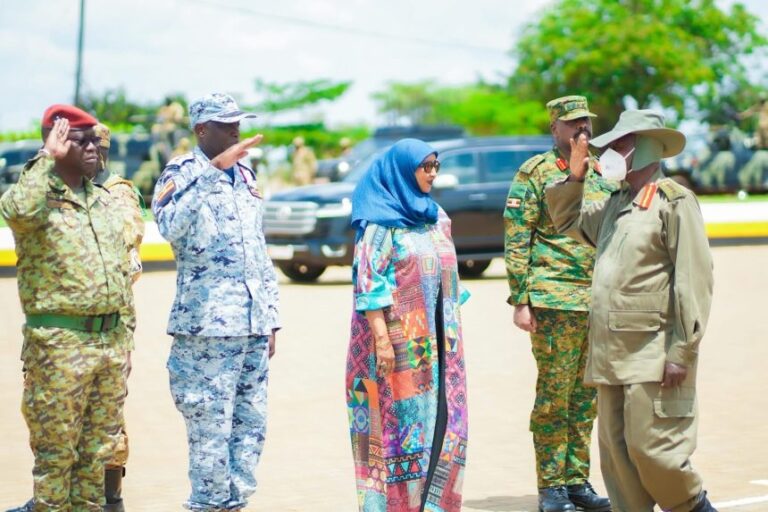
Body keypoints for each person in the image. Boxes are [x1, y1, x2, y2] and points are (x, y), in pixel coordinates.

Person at [545, 109, 717, 512]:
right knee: (619, 460)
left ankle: (695, 506)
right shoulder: (617, 203)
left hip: (654, 353)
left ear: (647, 148)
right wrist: (575, 176)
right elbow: (568, 219)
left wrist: (683, 351)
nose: (610, 152)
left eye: (621, 145)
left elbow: (694, 280)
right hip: (610, 355)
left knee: (657, 452)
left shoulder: (674, 202)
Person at [152, 92, 279, 512]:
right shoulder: (182, 171)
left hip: (251, 326)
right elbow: (170, 226)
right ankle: (207, 506)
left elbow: (256, 248)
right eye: (227, 124)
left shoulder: (246, 174)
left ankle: (236, 505)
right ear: (202, 130)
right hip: (207, 328)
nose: (236, 130)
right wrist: (211, 172)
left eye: (238, 122)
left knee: (249, 429)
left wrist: (270, 317)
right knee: (210, 431)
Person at [1, 106, 130, 511]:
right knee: (57, 460)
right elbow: (16, 211)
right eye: (82, 140)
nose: (94, 147)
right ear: (57, 143)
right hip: (60, 347)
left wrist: (121, 340)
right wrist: (45, 159)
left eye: (96, 140)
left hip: (108, 345)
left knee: (94, 460)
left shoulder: (104, 200)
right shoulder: (39, 197)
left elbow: (120, 275)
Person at [346, 139, 469, 512]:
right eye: (425, 166)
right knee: (398, 430)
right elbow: (368, 285)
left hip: (441, 348)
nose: (432, 173)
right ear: (402, 169)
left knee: (446, 422)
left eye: (436, 165)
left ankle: (434, 505)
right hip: (397, 347)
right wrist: (383, 342)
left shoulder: (436, 216)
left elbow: (450, 278)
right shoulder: (380, 224)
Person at [503, 95, 613, 512]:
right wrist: (521, 299)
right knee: (554, 396)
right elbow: (518, 236)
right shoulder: (535, 172)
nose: (581, 130)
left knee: (586, 397)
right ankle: (551, 487)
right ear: (555, 129)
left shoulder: (602, 169)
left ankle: (576, 481)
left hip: (595, 300)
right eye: (572, 124)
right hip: (553, 300)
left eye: (585, 122)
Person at [93, 122, 145, 511]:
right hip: (68, 330)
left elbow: (124, 240)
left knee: (107, 414)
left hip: (108, 327)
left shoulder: (118, 193)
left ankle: (112, 498)